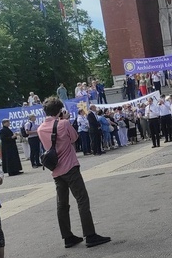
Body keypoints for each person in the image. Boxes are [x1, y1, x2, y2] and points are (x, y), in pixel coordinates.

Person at [36, 97, 111, 249]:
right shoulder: (63, 123)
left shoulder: (40, 128)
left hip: (56, 170)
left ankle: (67, 236)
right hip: (70, 166)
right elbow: (75, 138)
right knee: (82, 199)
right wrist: (64, 120)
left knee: (62, 204)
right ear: (59, 111)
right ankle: (90, 235)